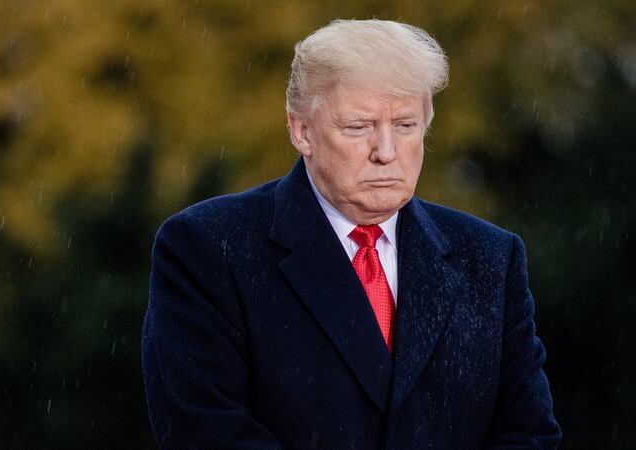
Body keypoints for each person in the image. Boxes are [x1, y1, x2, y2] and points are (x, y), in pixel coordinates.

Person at [141, 19, 561, 449]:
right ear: (302, 131)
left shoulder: (491, 256)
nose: (386, 152)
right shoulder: (207, 246)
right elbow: (204, 431)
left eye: (406, 125)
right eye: (359, 127)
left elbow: (529, 433)